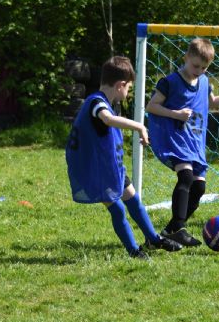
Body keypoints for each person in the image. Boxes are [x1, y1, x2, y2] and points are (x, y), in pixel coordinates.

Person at [66, 56, 182, 258]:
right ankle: (133, 251)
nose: (128, 91)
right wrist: (138, 126)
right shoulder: (96, 101)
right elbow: (107, 119)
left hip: (110, 165)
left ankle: (154, 240)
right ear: (120, 85)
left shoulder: (107, 102)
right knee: (118, 210)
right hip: (94, 169)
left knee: (134, 200)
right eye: (129, 87)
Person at [145, 38, 219, 246]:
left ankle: (171, 229)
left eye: (204, 67)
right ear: (186, 58)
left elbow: (211, 103)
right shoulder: (170, 82)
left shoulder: (204, 82)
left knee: (199, 188)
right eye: (195, 66)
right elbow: (152, 106)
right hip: (176, 138)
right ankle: (180, 227)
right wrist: (176, 114)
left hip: (195, 141)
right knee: (185, 177)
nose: (199, 70)